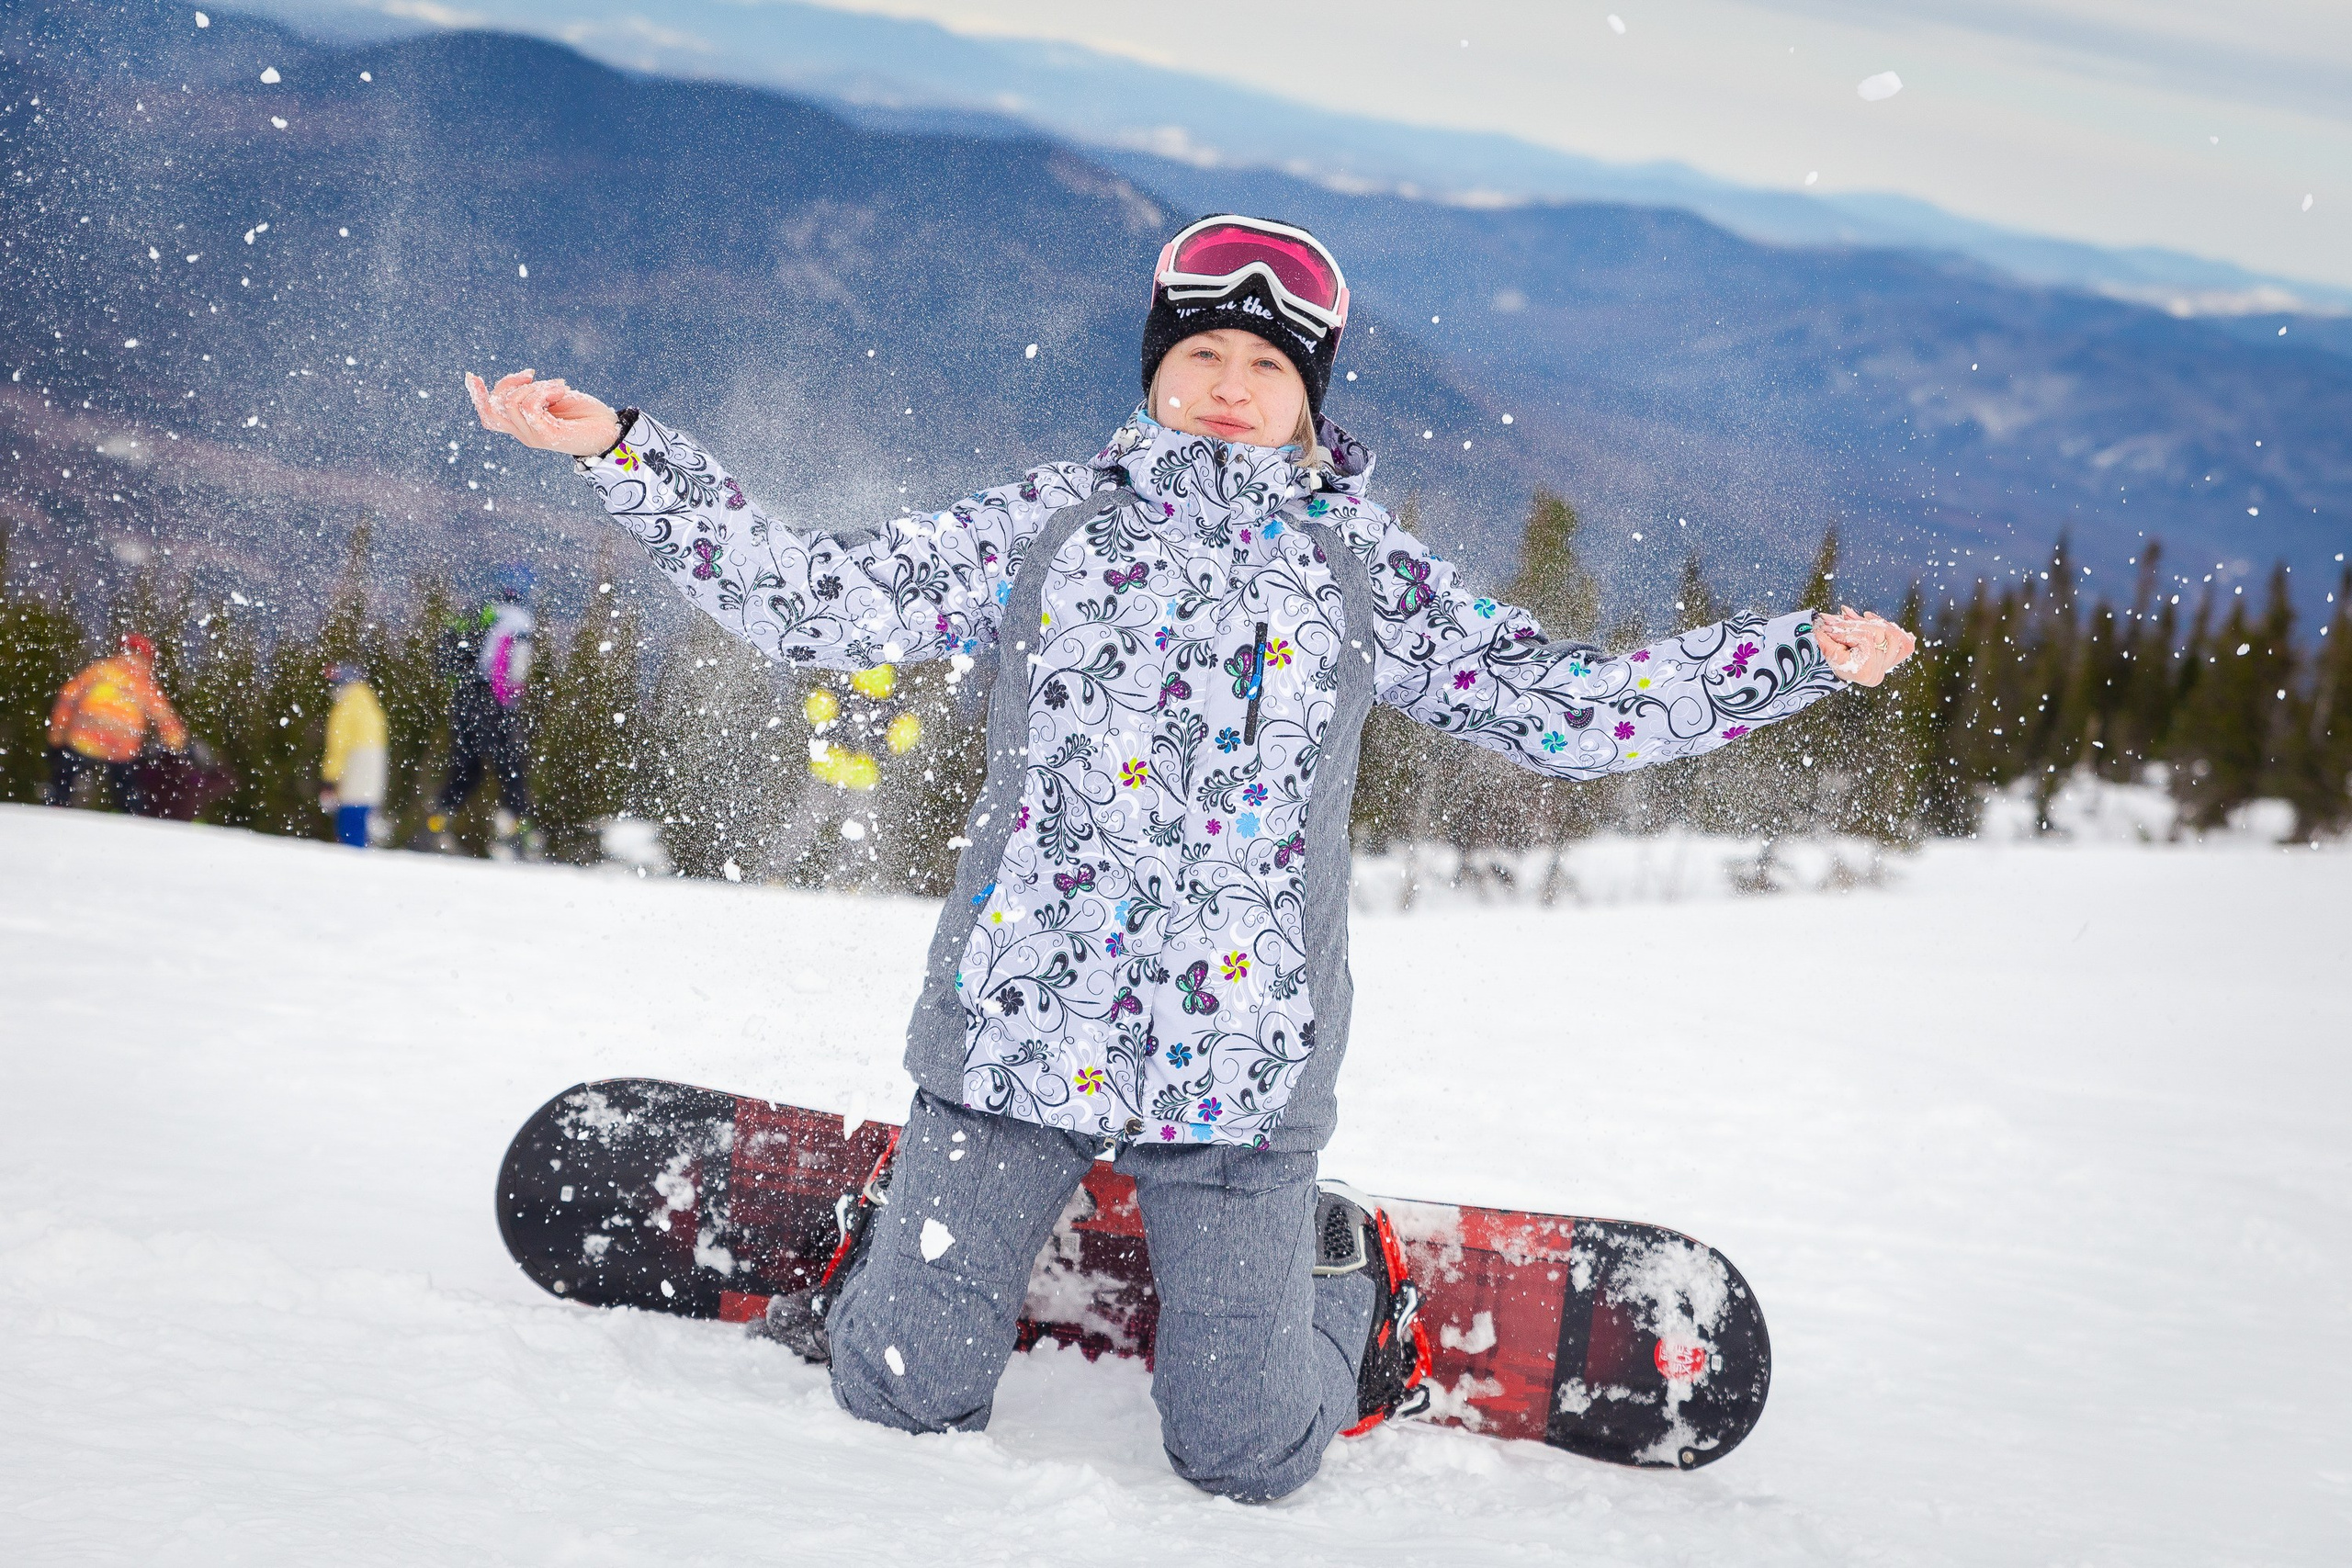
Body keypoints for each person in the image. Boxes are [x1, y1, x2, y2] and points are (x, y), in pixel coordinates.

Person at [466, 213, 1916, 1502]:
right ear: (1157, 369)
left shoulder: (1361, 567)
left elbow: (1559, 707)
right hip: (1017, 1031)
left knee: (1248, 1451)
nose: (1231, 382)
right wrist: (625, 452)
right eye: (1204, 351)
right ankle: (888, 1246)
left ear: (1308, 400)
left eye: (1268, 365)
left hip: (1242, 1067)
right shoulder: (1052, 524)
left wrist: (1794, 657)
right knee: (904, 1392)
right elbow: (817, 603)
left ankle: (1342, 1280)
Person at [420, 567, 539, 858]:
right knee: (510, 766)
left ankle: (436, 823)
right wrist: (509, 700)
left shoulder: (480, 614)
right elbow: (513, 669)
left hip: (465, 699)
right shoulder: (518, 620)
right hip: (493, 700)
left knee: (466, 767)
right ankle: (519, 834)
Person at [46, 633, 188, 816]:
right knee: (124, 787)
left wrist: (58, 730)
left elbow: (68, 696)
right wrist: (175, 740)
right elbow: (164, 715)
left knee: (68, 777)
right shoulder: (138, 681)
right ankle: (130, 818)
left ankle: (57, 808)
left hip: (93, 740)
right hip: (113, 744)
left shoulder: (104, 671)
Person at [320, 663, 390, 848]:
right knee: (361, 822)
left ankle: (351, 854)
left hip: (354, 767)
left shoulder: (345, 706)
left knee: (349, 823)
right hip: (372, 772)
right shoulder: (371, 703)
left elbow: (337, 745)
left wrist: (330, 780)